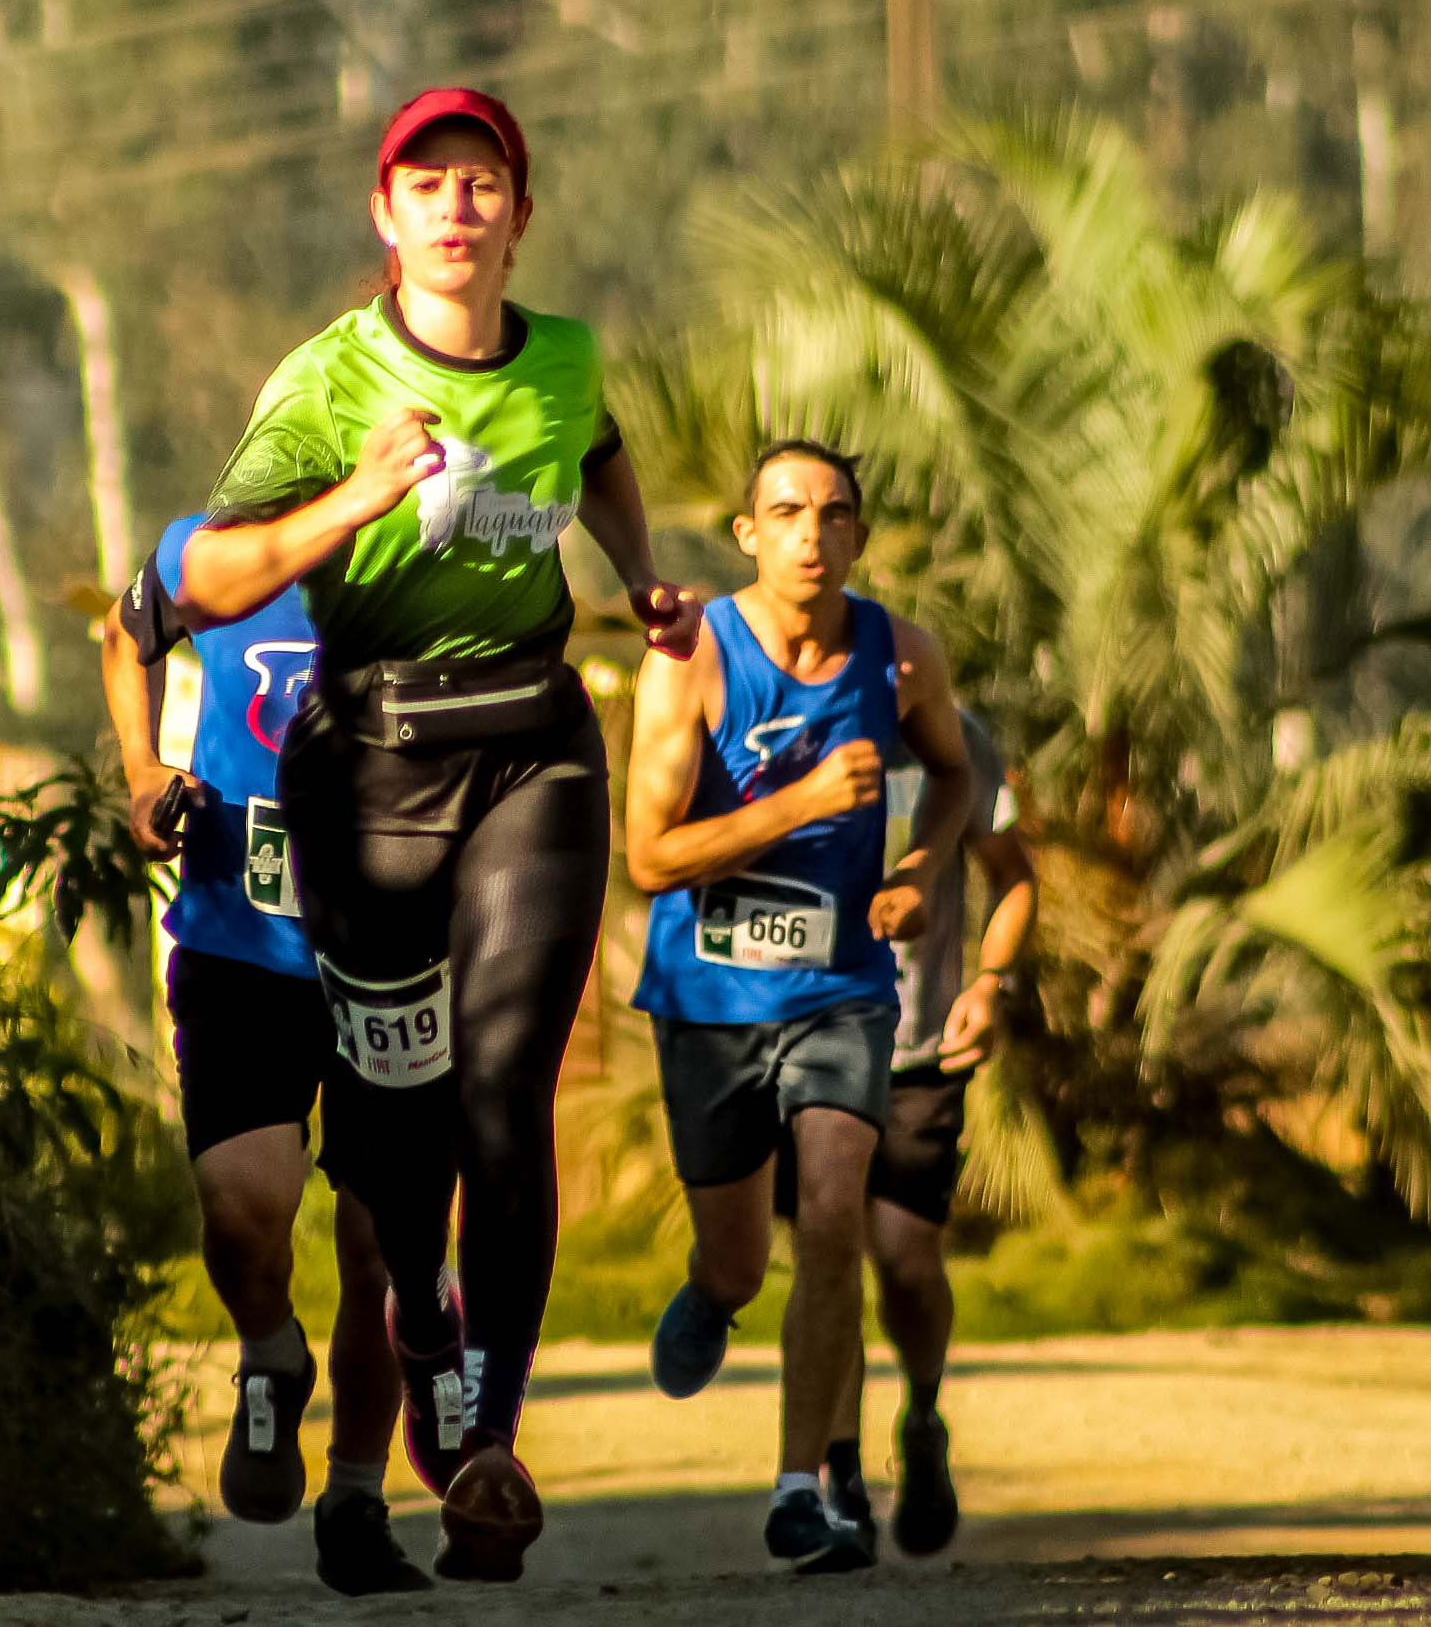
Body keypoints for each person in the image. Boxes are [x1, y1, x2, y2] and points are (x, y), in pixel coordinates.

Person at [176, 86, 700, 1583]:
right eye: (431, 182)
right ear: (387, 217)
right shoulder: (331, 377)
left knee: (508, 1087)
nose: (460, 204)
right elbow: (214, 573)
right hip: (367, 769)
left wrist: (645, 573)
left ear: (522, 218)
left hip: (532, 747)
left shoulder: (568, 358)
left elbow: (596, 451)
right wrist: (354, 495)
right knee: (397, 1133)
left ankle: (487, 1447)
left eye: (487, 183)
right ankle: (419, 1299)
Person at [623, 439, 973, 1572]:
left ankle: (802, 1487)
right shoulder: (693, 660)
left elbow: (960, 776)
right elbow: (649, 857)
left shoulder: (902, 657)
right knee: (738, 1258)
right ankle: (714, 1292)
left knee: (832, 1215)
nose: (811, 535)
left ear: (860, 536)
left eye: (833, 514)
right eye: (786, 512)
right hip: (711, 995)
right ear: (748, 534)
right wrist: (805, 803)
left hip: (842, 992)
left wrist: (919, 870)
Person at [101, 514, 427, 1596]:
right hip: (242, 948)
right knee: (243, 1217)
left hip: (398, 965)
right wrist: (145, 774)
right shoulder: (217, 550)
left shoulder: (455, 573)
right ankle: (272, 1349)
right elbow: (126, 636)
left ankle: (356, 1497)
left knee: (384, 1247)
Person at [808, 707, 1036, 1558]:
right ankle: (842, 1484)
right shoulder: (770, 719)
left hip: (918, 1049)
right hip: (804, 1048)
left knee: (905, 1263)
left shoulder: (957, 738)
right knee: (827, 1257)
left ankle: (924, 1414)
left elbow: (1011, 875)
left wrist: (991, 982)